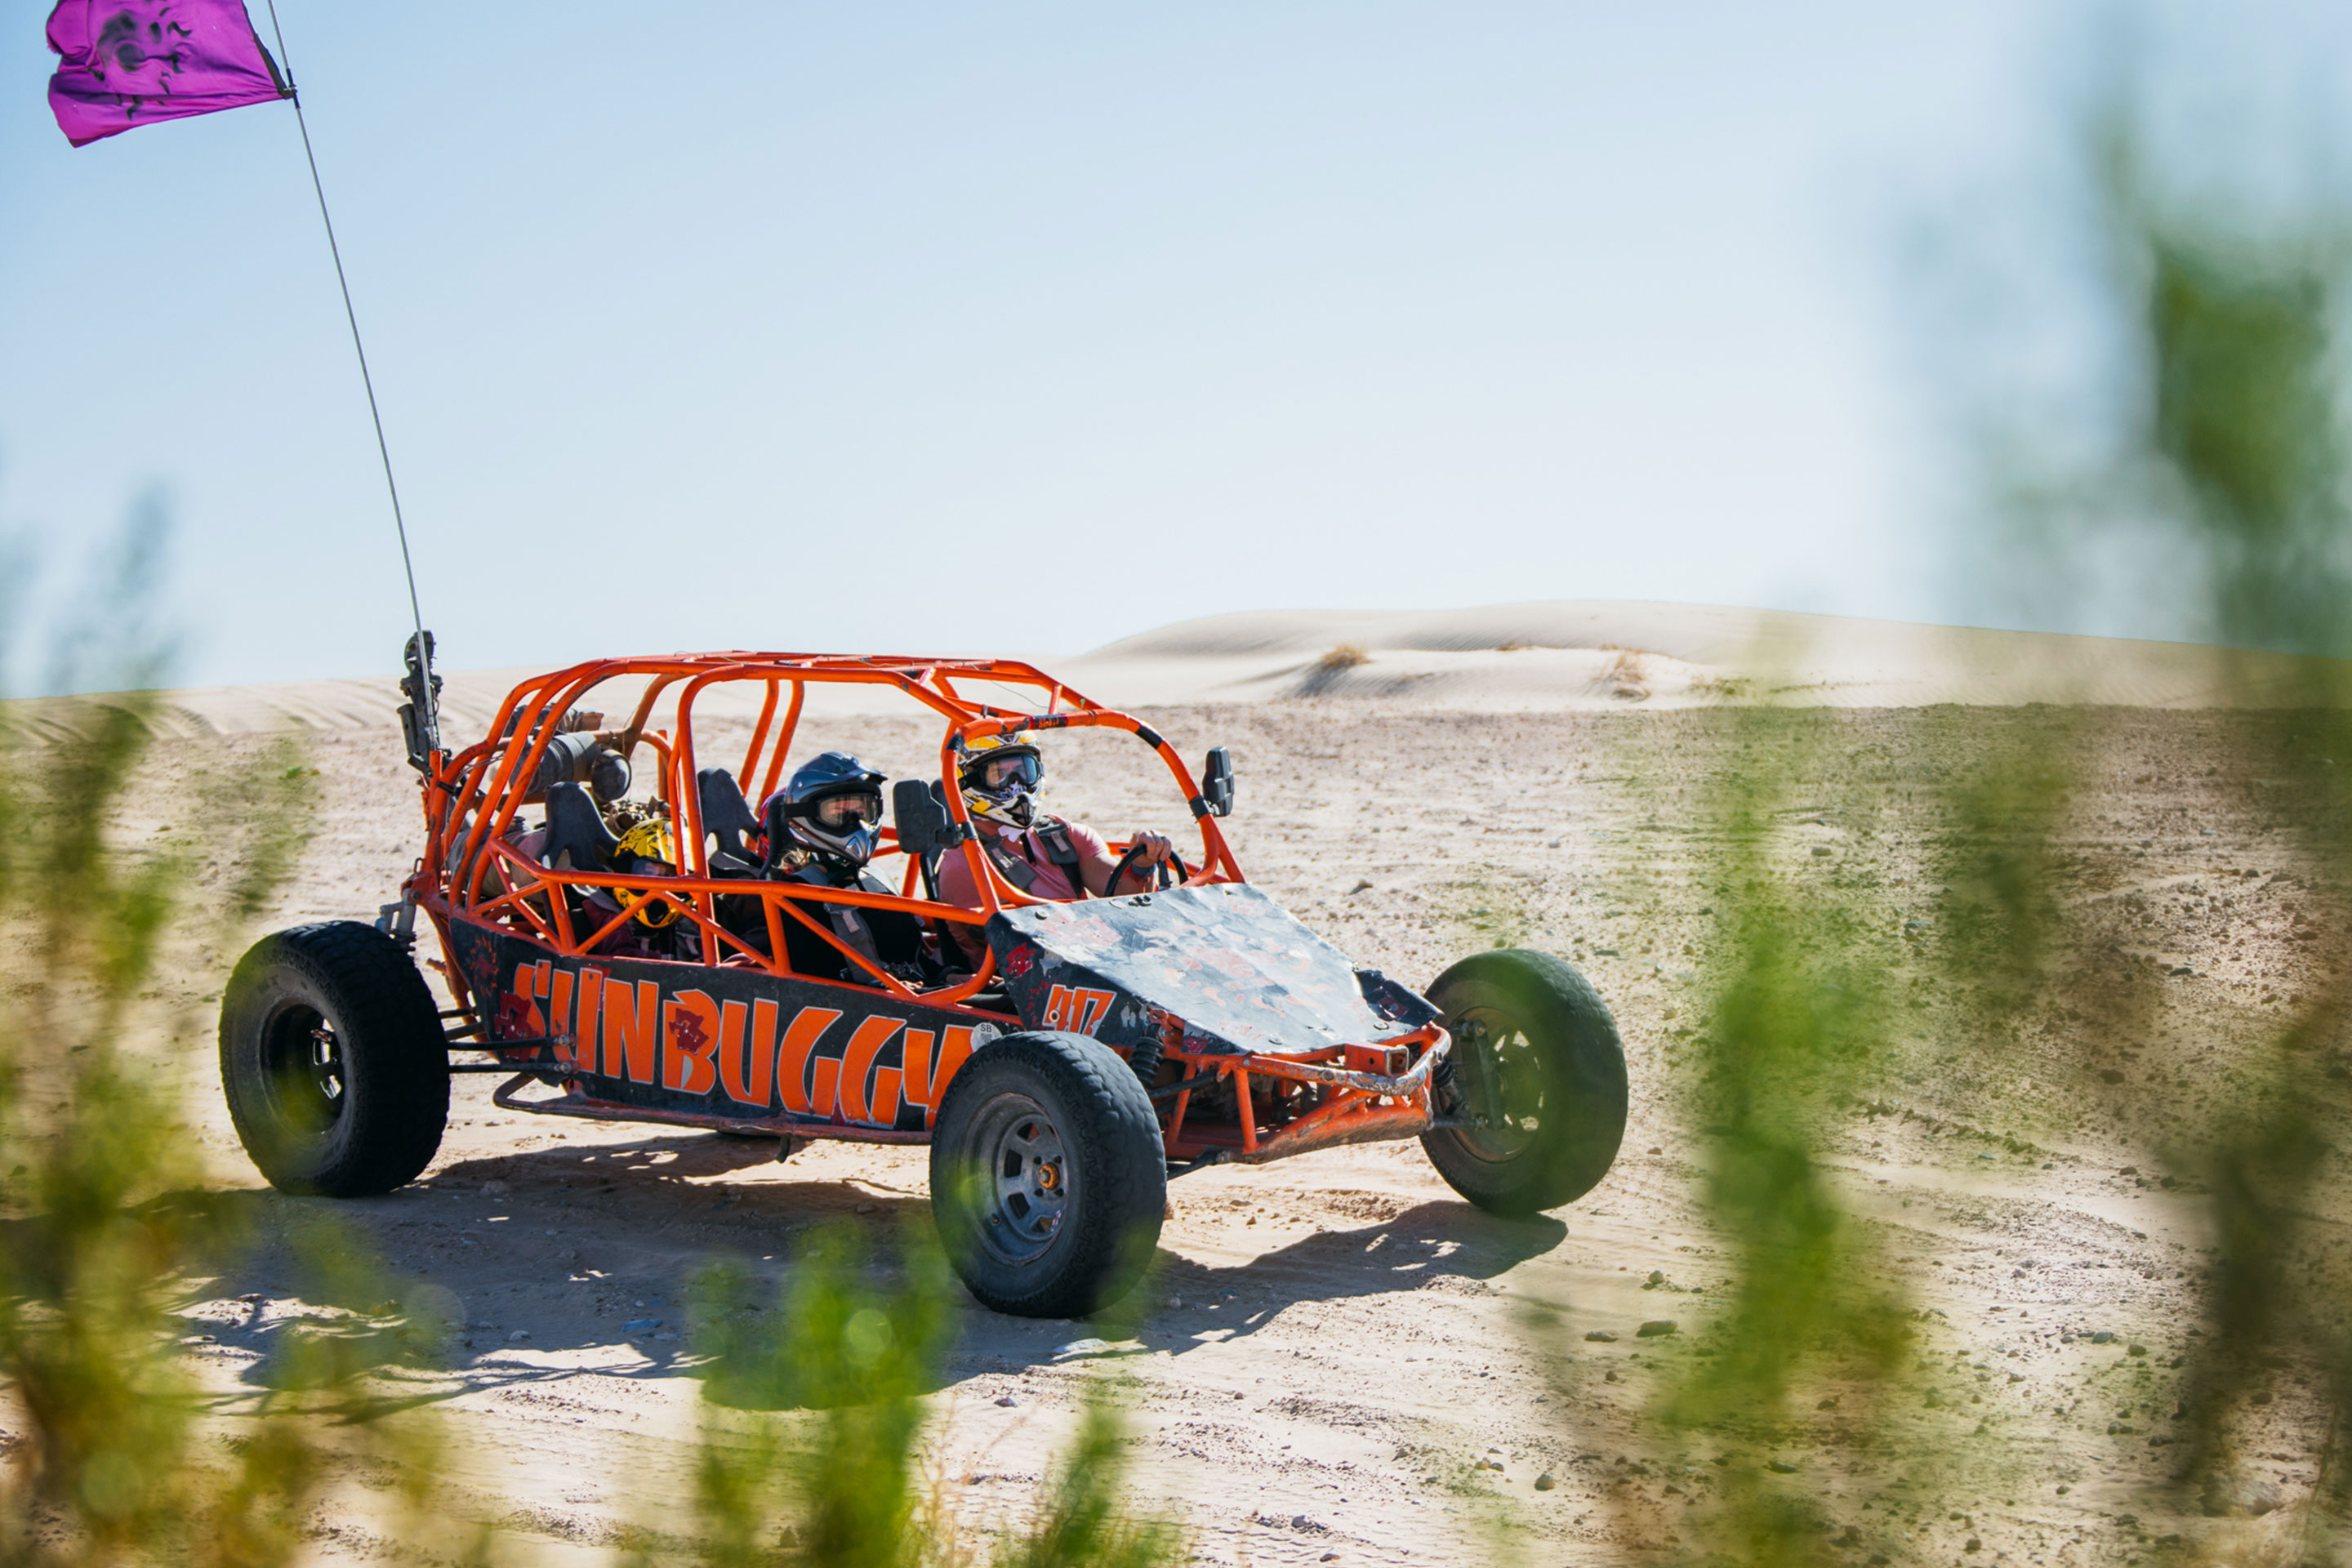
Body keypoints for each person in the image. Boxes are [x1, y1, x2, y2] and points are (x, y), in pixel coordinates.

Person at [933, 732, 1174, 963]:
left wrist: (1141, 865)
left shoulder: (1067, 835)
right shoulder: (965, 862)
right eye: (1000, 774)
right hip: (1015, 988)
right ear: (973, 780)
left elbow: (1121, 896)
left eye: (1022, 771)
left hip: (1088, 964)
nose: (1015, 785)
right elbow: (1019, 944)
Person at [756, 751, 927, 986]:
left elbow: (916, 959)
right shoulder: (795, 896)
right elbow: (810, 986)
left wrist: (950, 974)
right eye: (838, 813)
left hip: (922, 998)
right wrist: (886, 989)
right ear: (807, 816)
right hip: (866, 1011)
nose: (855, 823)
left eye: (861, 811)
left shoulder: (877, 879)